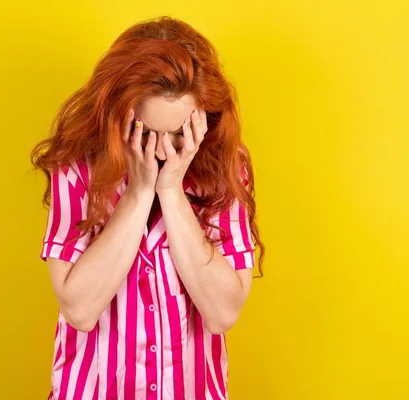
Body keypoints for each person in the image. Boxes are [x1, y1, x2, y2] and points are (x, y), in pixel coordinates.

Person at [31, 15, 264, 400]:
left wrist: (170, 191)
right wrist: (139, 192)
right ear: (115, 115)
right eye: (144, 132)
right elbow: (80, 309)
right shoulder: (75, 168)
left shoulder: (225, 166)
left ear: (204, 120)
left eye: (178, 134)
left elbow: (222, 313)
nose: (159, 151)